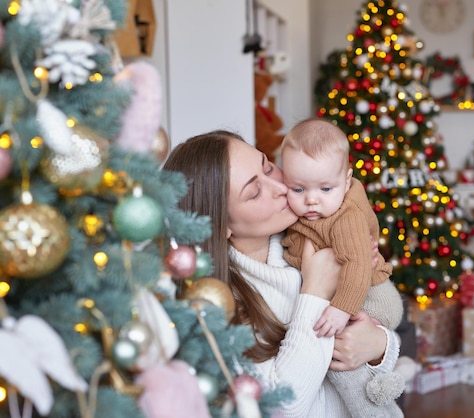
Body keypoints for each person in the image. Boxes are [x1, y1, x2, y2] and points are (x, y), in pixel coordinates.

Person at [162, 130, 401, 418]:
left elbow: (373, 318)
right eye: (254, 191)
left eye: (267, 166)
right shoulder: (216, 305)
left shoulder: (311, 239)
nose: (279, 186)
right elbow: (283, 406)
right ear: (221, 225)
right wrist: (315, 292)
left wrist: (380, 345)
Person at [280, 118, 405, 417]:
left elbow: (358, 263)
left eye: (325, 188)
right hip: (351, 293)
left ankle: (377, 411)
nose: (311, 200)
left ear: (347, 181)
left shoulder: (344, 218)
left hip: (373, 295)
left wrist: (341, 309)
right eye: (297, 189)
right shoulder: (307, 211)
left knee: (336, 356)